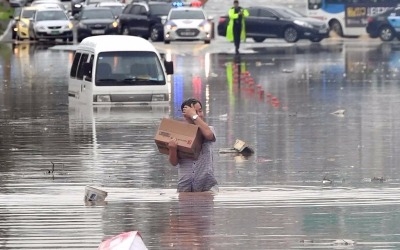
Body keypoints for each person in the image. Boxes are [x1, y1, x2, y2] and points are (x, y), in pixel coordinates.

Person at [167, 98, 218, 192]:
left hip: (206, 185)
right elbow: (174, 163)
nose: (199, 114)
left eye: (200, 111)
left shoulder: (208, 129)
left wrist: (193, 115)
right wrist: (172, 149)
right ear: (185, 116)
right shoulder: (179, 134)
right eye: (195, 112)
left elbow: (208, 135)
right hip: (185, 185)